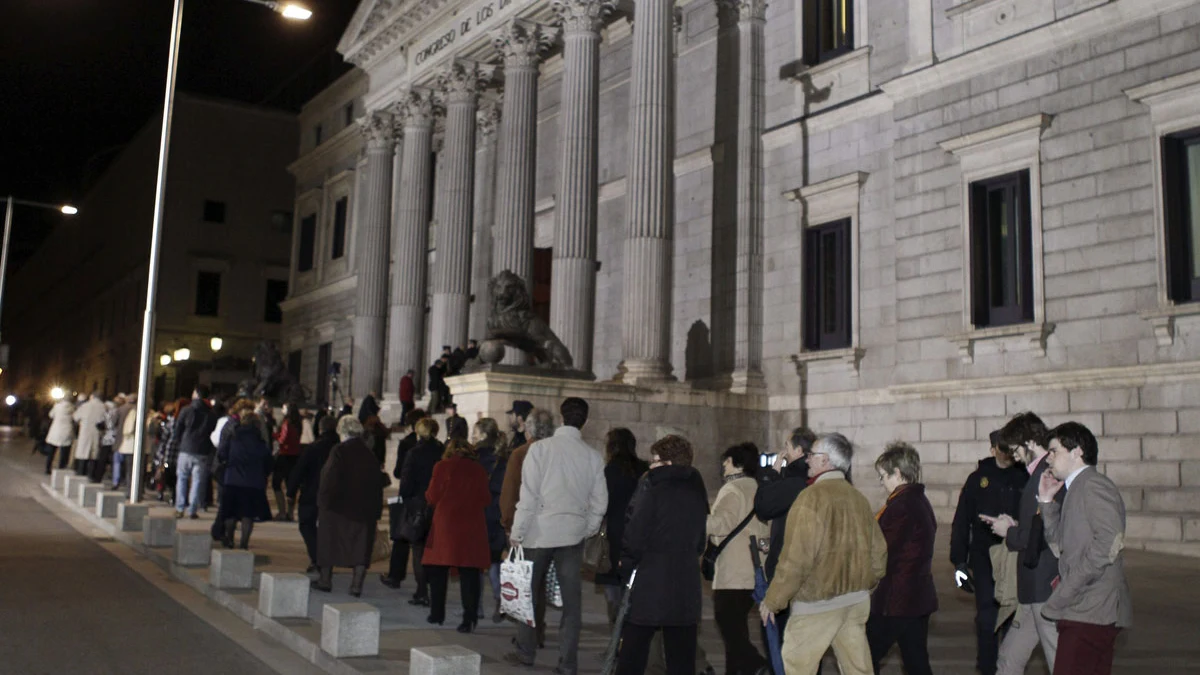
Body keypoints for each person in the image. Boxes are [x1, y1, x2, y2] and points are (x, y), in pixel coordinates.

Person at [759, 433, 887, 675]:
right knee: (858, 669)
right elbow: (879, 553)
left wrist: (773, 600)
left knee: (796, 667)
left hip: (818, 603)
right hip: (855, 601)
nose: (807, 460)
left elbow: (796, 559)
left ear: (825, 461)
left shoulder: (810, 498)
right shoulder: (858, 498)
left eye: (812, 455)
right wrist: (865, 584)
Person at [505, 397, 608, 674]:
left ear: (562, 418)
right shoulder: (593, 456)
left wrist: (517, 532)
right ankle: (568, 664)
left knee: (527, 597)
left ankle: (526, 653)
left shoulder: (539, 450)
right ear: (584, 421)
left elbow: (528, 498)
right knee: (572, 605)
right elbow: (600, 503)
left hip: (538, 534)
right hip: (572, 536)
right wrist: (585, 529)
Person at [1036, 422, 1132, 675]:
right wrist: (1047, 503)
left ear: (1077, 452)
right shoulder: (1076, 488)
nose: (1049, 459)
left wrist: (1070, 587)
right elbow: (1061, 546)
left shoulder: (1093, 485)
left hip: (1090, 609)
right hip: (1084, 608)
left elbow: (1108, 544)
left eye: (1054, 451)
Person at [615, 434, 709, 675]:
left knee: (633, 651)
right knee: (681, 657)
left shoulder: (653, 490)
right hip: (686, 582)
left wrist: (626, 564)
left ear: (667, 463)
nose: (650, 465)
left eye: (655, 460)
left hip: (651, 579)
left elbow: (635, 534)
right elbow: (700, 541)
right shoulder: (697, 492)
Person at [987, 412, 1061, 675]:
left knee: (1058, 662)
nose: (1013, 456)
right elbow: (1038, 527)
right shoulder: (1038, 474)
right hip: (1032, 588)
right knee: (1009, 659)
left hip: (1043, 587)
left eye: (1015, 450)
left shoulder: (1044, 475)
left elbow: (1038, 537)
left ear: (1030, 443)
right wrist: (1015, 527)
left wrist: (1008, 532)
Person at [950, 431, 1028, 675]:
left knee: (1012, 615)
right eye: (1000, 447)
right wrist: (959, 563)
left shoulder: (1024, 477)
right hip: (984, 557)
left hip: (1015, 554)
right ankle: (986, 668)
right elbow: (962, 521)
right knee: (986, 616)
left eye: (1009, 446)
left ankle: (1007, 667)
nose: (1005, 452)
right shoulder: (977, 479)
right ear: (992, 448)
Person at [867, 442, 938, 675]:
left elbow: (882, 549)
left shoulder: (902, 505)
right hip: (916, 597)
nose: (882, 482)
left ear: (897, 473)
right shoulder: (918, 500)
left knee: (864, 658)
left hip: (896, 600)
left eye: (883, 476)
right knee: (916, 662)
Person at [708, 443, 770, 675]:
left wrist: (697, 521)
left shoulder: (732, 489)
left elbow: (721, 524)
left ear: (736, 463)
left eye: (726, 461)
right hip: (754, 571)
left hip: (733, 573)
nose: (723, 466)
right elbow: (766, 533)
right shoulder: (760, 488)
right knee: (737, 629)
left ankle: (758, 664)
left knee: (730, 628)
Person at [312, 415, 388, 597]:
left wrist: (322, 504)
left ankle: (325, 580)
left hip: (338, 507)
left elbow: (329, 479)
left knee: (328, 542)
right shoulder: (368, 453)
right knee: (361, 548)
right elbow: (377, 483)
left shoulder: (339, 451)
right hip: (364, 509)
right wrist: (376, 512)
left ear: (342, 431)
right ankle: (356, 585)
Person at [498, 407, 555, 644]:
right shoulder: (556, 452)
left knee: (526, 584)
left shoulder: (521, 453)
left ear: (528, 429)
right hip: (551, 525)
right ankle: (538, 630)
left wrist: (508, 524)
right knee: (540, 584)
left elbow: (510, 493)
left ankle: (527, 639)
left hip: (526, 526)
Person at [754, 425, 816, 643]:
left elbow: (762, 506)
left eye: (787, 447)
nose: (784, 452)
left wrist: (772, 473)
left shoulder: (794, 482)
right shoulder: (811, 481)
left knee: (780, 639)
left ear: (799, 451)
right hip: (810, 574)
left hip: (788, 570)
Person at [422, 437, 492, 632]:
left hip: (446, 524)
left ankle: (437, 614)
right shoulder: (478, 469)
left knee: (438, 571)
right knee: (469, 573)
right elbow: (486, 498)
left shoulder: (441, 466)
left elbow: (432, 496)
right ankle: (468, 619)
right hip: (471, 525)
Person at [596, 428, 649, 625]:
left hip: (613, 536)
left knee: (613, 590)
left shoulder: (609, 472)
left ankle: (616, 636)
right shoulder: (644, 470)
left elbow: (602, 504)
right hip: (638, 535)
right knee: (633, 588)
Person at [395, 417, 445, 605]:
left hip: (418, 505)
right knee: (434, 549)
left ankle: (422, 590)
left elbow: (406, 483)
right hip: (438, 505)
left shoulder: (414, 453)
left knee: (418, 550)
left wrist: (407, 501)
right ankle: (432, 589)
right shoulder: (442, 452)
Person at [380, 408, 427, 589]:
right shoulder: (435, 446)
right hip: (426, 497)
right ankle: (423, 584)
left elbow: (398, 472)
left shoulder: (407, 444)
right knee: (421, 540)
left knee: (401, 537)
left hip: (409, 496)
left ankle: (395, 576)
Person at [289, 415, 341, 572]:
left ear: (320, 429)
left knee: (307, 525)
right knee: (328, 528)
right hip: (335, 494)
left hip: (313, 492)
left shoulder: (314, 448)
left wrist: (291, 491)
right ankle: (324, 560)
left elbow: (299, 471)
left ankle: (318, 558)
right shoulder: (340, 448)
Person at [216, 408, 273, 549]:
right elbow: (268, 462)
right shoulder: (260, 442)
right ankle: (244, 543)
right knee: (248, 515)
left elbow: (222, 454)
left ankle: (229, 538)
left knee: (230, 513)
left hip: (232, 479)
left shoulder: (233, 437)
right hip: (253, 482)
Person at [472, 417, 511, 622]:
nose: (473, 436)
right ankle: (500, 602)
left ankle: (476, 606)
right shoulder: (502, 458)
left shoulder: (473, 457)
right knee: (496, 564)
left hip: (476, 516)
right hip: (494, 516)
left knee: (476, 566)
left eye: (476, 432)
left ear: (484, 435)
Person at [173, 386, 218, 519]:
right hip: (202, 450)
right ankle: (192, 509)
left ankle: (180, 507)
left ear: (197, 394)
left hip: (186, 448)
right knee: (197, 480)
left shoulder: (186, 410)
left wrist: (179, 442)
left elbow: (178, 428)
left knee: (182, 478)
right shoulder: (211, 414)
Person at [271, 402, 302, 521]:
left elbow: (282, 439)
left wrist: (275, 435)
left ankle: (282, 511)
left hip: (284, 455)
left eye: (283, 408)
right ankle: (290, 512)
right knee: (291, 484)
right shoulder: (298, 423)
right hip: (295, 456)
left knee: (276, 483)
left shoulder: (286, 423)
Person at [72, 392, 106, 478]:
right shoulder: (104, 407)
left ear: (92, 397)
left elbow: (75, 417)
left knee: (83, 452)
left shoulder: (85, 406)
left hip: (85, 432)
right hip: (97, 433)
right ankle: (91, 474)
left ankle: (81, 472)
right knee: (94, 454)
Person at [113, 395, 142, 490]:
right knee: (131, 467)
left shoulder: (121, 409)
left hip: (122, 440)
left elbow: (114, 422)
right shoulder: (140, 410)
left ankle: (116, 482)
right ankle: (130, 486)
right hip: (133, 443)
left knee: (118, 462)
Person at [45, 396, 75, 474]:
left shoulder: (57, 406)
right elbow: (75, 418)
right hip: (66, 431)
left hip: (55, 431)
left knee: (51, 452)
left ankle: (47, 468)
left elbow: (51, 415)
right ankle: (61, 469)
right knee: (64, 452)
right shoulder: (72, 408)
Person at [91, 399, 118, 483]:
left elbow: (109, 425)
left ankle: (98, 478)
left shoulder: (111, 413)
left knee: (103, 459)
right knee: (111, 460)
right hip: (112, 439)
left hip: (109, 439)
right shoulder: (113, 413)